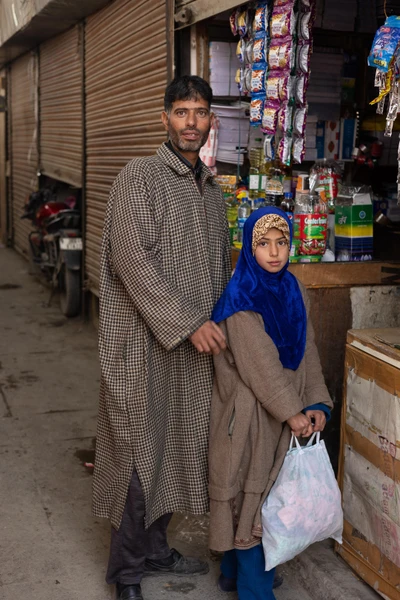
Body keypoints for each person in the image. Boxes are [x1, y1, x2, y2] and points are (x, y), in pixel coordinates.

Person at [92, 75, 232, 600]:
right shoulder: (140, 177)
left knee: (180, 447)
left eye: (199, 112)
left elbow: (219, 271)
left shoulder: (214, 194)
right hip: (142, 347)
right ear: (164, 118)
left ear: (211, 121)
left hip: (194, 352)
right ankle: (125, 574)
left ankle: (154, 548)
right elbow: (131, 259)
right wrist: (188, 323)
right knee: (138, 455)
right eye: (181, 112)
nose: (190, 122)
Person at [208, 207, 333, 600]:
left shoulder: (291, 288)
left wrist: (316, 401)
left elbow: (307, 349)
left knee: (263, 495)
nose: (274, 252)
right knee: (253, 500)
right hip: (248, 420)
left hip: (282, 414)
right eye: (263, 244)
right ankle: (255, 591)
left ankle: (232, 575)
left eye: (281, 242)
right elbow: (260, 366)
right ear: (249, 248)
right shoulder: (242, 297)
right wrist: (292, 411)